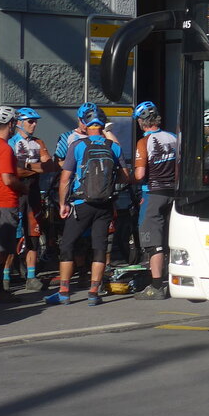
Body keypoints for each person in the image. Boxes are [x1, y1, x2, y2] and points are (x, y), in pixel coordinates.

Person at [45, 105, 129, 306]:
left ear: (85, 122)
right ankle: (93, 292)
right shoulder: (114, 147)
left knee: (67, 244)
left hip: (82, 203)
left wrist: (63, 204)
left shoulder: (79, 145)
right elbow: (126, 178)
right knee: (99, 246)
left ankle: (64, 291)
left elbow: (65, 178)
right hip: (105, 204)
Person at [132, 101, 177, 300]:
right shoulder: (174, 138)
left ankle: (157, 286)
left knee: (154, 242)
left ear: (142, 122)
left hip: (153, 193)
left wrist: (128, 176)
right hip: (174, 193)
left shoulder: (144, 142)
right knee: (172, 238)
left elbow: (140, 174)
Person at [7, 107, 54, 292]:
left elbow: (48, 165)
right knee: (14, 235)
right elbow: (13, 171)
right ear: (19, 122)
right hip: (16, 191)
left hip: (33, 191)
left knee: (33, 233)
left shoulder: (38, 142)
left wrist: (26, 165)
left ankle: (32, 277)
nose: (34, 125)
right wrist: (35, 167)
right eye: (30, 121)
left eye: (35, 122)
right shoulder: (11, 142)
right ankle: (5, 276)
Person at [0, 106, 26, 305]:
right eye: (14, 123)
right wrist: (24, 188)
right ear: (10, 124)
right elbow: (8, 179)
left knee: (2, 246)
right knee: (1, 248)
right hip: (5, 201)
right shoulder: (5, 148)